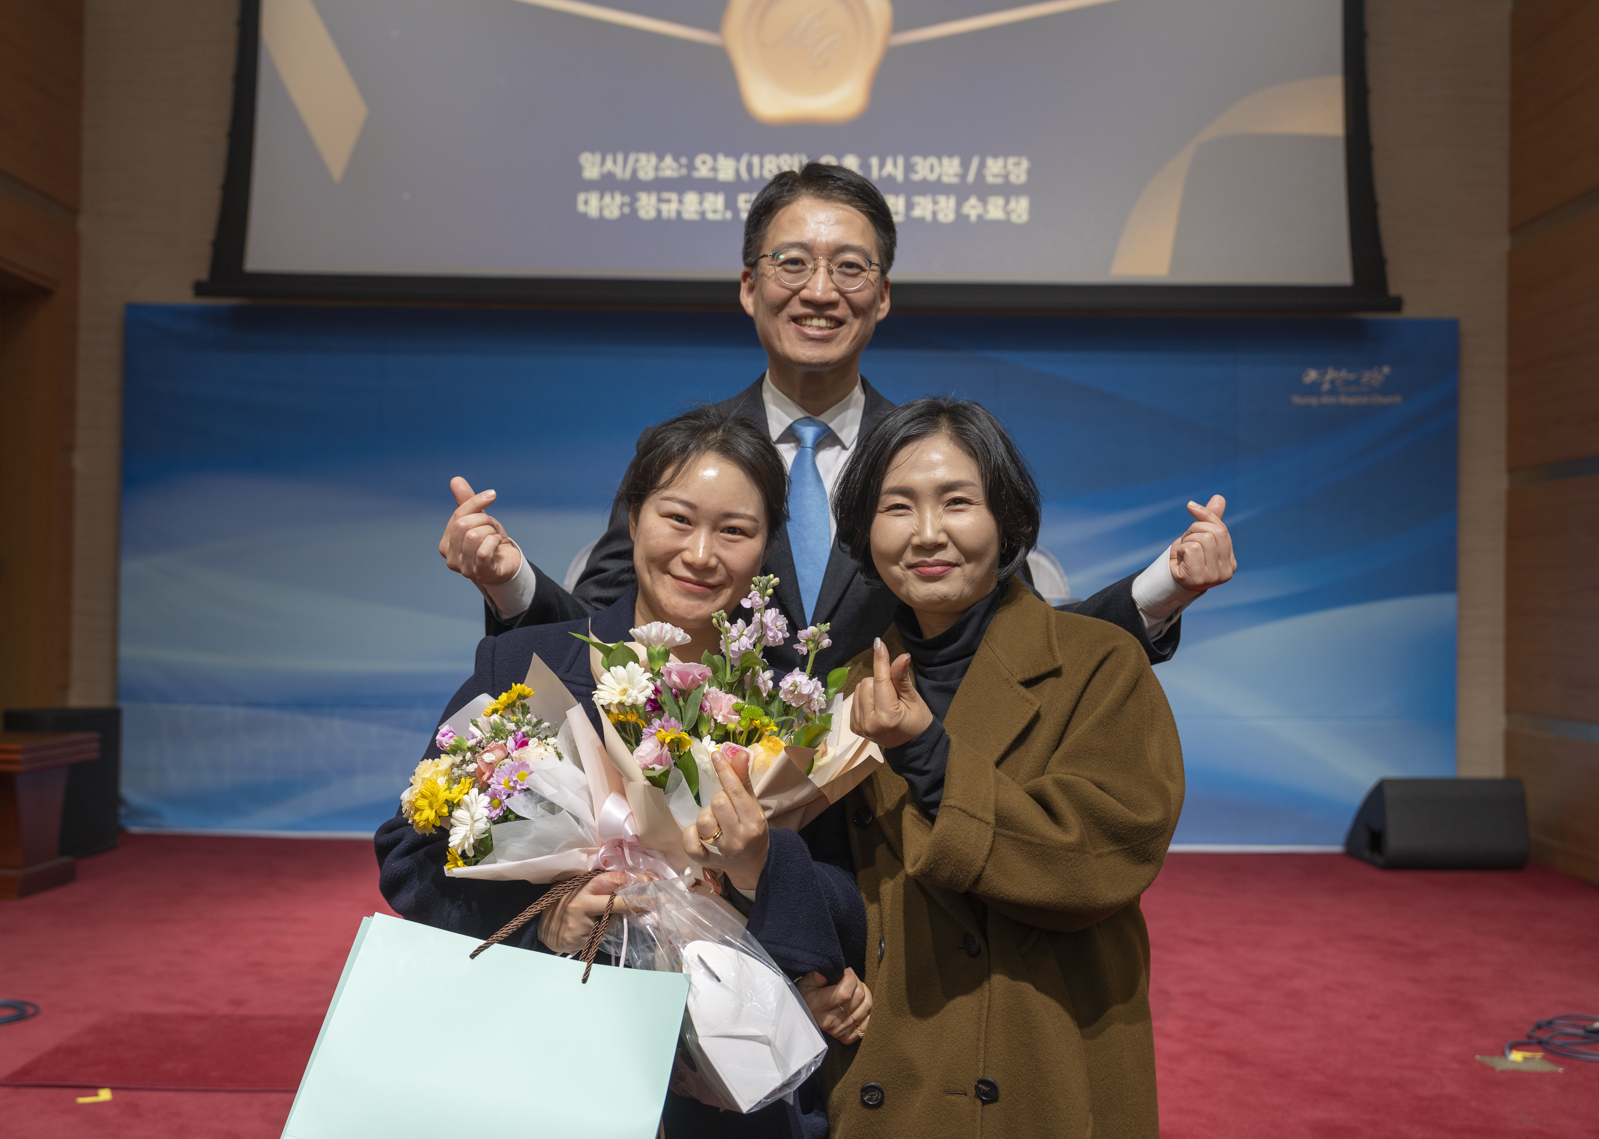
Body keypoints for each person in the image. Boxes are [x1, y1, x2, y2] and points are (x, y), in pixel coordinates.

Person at [437, 163, 1235, 675]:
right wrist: (508, 580)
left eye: (850, 268)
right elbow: (602, 631)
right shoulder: (686, 458)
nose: (820, 291)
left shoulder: (932, 456)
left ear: (882, 296)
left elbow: (1031, 638)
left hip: (895, 803)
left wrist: (1166, 586)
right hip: (710, 796)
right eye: (792, 263)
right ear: (748, 286)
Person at [376, 407, 869, 1139]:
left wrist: (763, 869)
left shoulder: (791, 702)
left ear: (767, 546)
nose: (700, 554)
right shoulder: (534, 666)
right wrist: (547, 927)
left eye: (734, 530)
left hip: (735, 1098)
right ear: (633, 518)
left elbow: (850, 899)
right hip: (555, 1073)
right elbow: (411, 858)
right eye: (678, 518)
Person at [822, 397, 1187, 1138]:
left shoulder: (1099, 663)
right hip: (891, 1059)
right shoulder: (842, 688)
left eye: (957, 502)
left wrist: (927, 754)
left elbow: (1099, 857)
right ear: (863, 528)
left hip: (1042, 1057)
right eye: (898, 506)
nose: (928, 532)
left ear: (1009, 521)